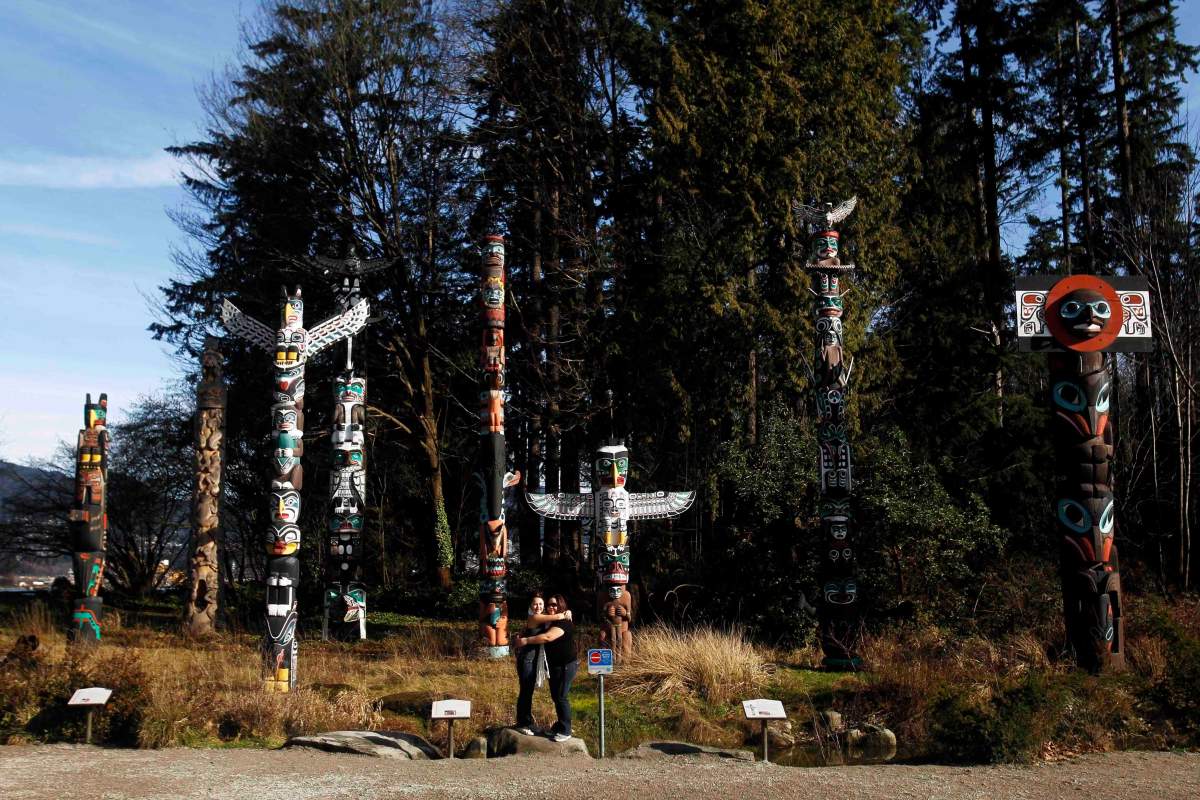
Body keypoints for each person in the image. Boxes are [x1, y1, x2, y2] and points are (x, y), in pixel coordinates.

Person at [513, 593, 577, 741]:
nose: (540, 607)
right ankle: (524, 722)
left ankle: (563, 728)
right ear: (530, 606)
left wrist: (567, 612)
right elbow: (553, 623)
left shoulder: (550, 620)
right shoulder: (536, 617)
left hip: (551, 662)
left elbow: (548, 636)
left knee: (558, 696)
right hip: (527, 659)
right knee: (526, 691)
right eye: (536, 604)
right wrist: (565, 613)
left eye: (542, 604)